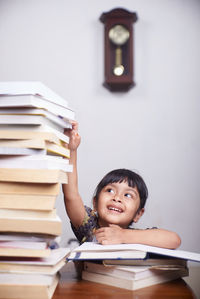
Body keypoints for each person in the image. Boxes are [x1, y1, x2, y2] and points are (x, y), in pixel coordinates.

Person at [62, 121, 181, 249]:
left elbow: (174, 240)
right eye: (110, 191)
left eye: (128, 195)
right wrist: (70, 150)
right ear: (95, 203)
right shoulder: (89, 227)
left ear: (138, 214)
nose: (117, 198)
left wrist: (123, 236)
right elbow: (71, 195)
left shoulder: (137, 237)